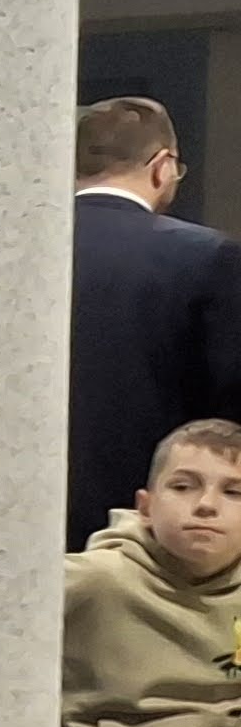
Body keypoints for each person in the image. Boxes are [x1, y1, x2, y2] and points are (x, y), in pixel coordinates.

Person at [61, 420, 241, 727]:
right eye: (183, 486)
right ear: (146, 507)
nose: (206, 504)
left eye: (233, 492)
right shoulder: (97, 582)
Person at [66, 95, 241, 552]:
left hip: (9, 517)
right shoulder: (208, 257)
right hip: (149, 530)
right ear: (162, 167)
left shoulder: (10, 250)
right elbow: (227, 404)